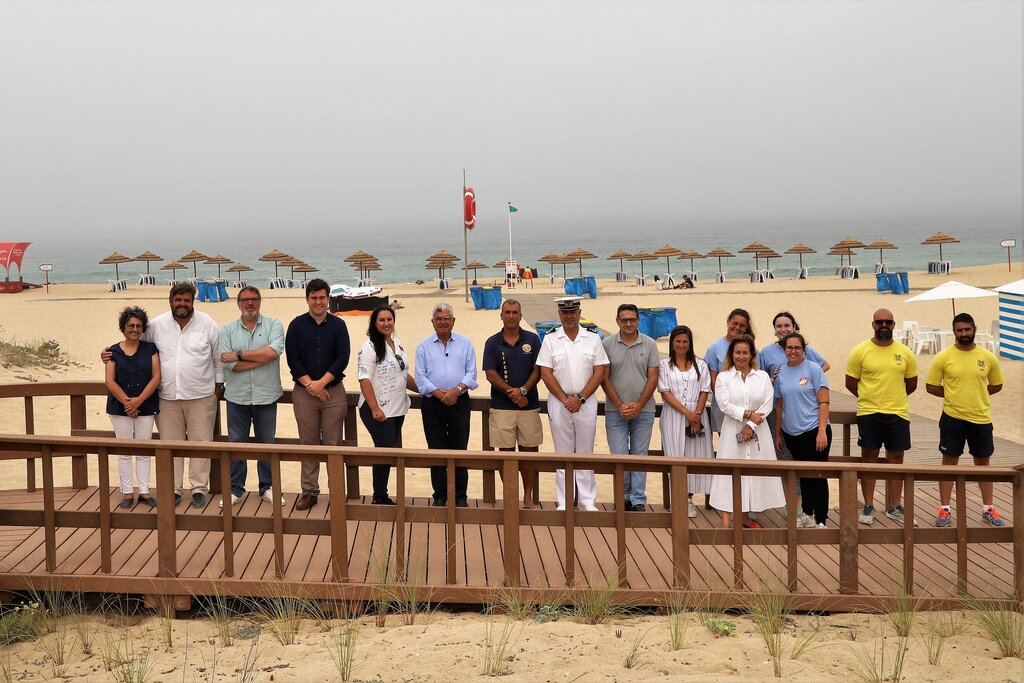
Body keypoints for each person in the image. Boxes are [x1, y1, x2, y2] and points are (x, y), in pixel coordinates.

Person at [104, 283, 224, 507]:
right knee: (171, 445)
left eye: (187, 300)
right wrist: (108, 353)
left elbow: (217, 358)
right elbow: (134, 344)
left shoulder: (207, 324)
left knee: (201, 443)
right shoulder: (157, 325)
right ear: (170, 301)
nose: (182, 304)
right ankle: (175, 489)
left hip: (201, 395)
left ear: (193, 301)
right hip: (167, 397)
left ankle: (198, 488)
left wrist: (218, 387)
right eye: (178, 300)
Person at [925, 313, 1005, 527]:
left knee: (982, 464)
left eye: (967, 329)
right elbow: (931, 386)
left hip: (981, 418)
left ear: (974, 329)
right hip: (952, 418)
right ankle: (944, 509)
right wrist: (953, 395)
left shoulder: (987, 357)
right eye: (959, 330)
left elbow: (997, 384)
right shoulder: (944, 356)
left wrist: (978, 393)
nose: (964, 334)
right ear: (954, 332)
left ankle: (988, 508)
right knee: (949, 463)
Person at [845, 308, 918, 525]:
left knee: (896, 460)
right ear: (873, 325)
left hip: (898, 412)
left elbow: (911, 384)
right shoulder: (860, 351)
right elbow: (851, 382)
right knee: (870, 459)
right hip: (869, 413)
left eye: (888, 322)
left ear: (894, 325)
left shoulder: (905, 353)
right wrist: (870, 397)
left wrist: (892, 398)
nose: (883, 325)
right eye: (879, 322)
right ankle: (868, 505)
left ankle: (895, 506)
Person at [537, 297, 609, 511]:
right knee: (563, 453)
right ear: (559, 314)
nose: (569, 316)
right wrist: (565, 399)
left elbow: (599, 371)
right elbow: (545, 373)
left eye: (573, 312)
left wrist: (581, 398)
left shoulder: (593, 338)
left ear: (579, 313)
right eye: (565, 313)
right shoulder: (550, 339)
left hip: (585, 402)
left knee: (585, 452)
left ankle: (587, 501)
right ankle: (565, 500)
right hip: (560, 403)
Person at [285, 278, 351, 511]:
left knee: (333, 444)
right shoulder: (296, 325)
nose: (318, 302)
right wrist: (311, 385)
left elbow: (343, 357)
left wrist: (321, 383)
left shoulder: (338, 325)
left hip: (333, 392)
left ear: (328, 298)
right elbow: (293, 359)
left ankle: (336, 493)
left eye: (322, 297)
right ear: (307, 300)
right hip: (304, 394)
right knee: (308, 444)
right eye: (313, 298)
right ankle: (310, 492)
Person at [218, 286, 285, 508]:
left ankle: (268, 487)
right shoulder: (226, 330)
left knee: (268, 443)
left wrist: (239, 354)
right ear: (238, 304)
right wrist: (261, 357)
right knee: (237, 443)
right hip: (237, 397)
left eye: (254, 299)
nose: (250, 303)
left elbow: (273, 352)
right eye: (245, 300)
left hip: (267, 395)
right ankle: (235, 488)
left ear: (260, 301)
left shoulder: (273, 325)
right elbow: (228, 365)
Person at [708, 334, 784, 528]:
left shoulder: (763, 377)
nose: (741, 356)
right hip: (732, 430)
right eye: (737, 352)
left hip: (759, 431)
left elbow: (767, 404)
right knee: (729, 473)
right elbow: (724, 405)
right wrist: (748, 414)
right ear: (731, 354)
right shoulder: (724, 377)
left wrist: (750, 426)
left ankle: (744, 517)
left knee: (752, 473)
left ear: (751, 355)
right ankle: (726, 520)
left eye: (745, 353)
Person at [759, 312, 830, 510]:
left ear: (794, 327)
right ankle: (797, 507)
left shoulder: (804, 350)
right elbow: (763, 380)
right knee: (788, 462)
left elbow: (824, 365)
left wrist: (805, 381)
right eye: (779, 326)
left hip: (809, 419)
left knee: (813, 470)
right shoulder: (766, 351)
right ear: (774, 329)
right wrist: (773, 379)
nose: (783, 329)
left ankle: (814, 512)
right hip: (781, 414)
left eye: (787, 325)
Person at [415, 303, 478, 507]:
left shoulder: (465, 343)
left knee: (460, 449)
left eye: (446, 318)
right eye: (438, 319)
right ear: (432, 322)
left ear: (453, 321)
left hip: (459, 401)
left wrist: (456, 391)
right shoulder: (423, 346)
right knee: (436, 449)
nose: (443, 322)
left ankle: (460, 497)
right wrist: (439, 394)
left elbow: (472, 373)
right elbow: (420, 376)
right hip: (433, 404)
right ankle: (440, 496)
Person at [482, 299, 543, 508]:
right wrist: (513, 393)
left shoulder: (533, 340)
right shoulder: (492, 342)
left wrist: (523, 391)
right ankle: (511, 495)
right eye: (507, 312)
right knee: (505, 454)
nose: (511, 316)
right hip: (501, 407)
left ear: (520, 315)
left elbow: (539, 369)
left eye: (515, 312)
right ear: (501, 316)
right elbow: (490, 374)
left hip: (529, 405)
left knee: (529, 453)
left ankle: (527, 496)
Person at [602, 304, 660, 511]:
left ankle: (637, 500)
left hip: (643, 410)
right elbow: (604, 378)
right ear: (617, 321)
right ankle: (623, 496)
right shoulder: (607, 344)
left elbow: (653, 377)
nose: (628, 323)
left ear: (638, 320)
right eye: (624, 319)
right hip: (614, 410)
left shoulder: (650, 344)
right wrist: (619, 404)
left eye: (632, 319)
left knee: (639, 455)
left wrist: (639, 405)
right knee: (619, 454)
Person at [357, 305, 415, 505]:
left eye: (389, 319)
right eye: (381, 320)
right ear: (374, 323)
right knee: (385, 450)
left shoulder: (397, 344)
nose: (386, 323)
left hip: (398, 408)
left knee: (392, 452)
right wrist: (374, 408)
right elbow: (364, 379)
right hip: (377, 409)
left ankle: (384, 493)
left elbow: (403, 374)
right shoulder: (369, 347)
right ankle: (379, 496)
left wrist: (427, 389)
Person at [773, 332, 832, 528]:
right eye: (789, 348)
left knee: (817, 475)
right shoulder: (781, 372)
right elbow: (780, 404)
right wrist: (778, 433)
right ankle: (807, 514)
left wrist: (822, 431)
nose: (793, 351)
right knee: (804, 477)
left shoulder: (814, 369)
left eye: (797, 348)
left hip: (814, 431)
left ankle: (821, 518)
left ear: (803, 349)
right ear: (784, 350)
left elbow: (824, 401)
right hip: (792, 433)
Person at [104, 306, 161, 509]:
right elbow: (110, 381)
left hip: (146, 405)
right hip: (120, 408)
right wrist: (128, 403)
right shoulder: (112, 351)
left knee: (144, 450)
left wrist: (138, 402)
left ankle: (144, 492)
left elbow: (156, 377)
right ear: (123, 327)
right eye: (130, 325)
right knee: (125, 450)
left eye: (138, 326)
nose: (135, 329)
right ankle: (127, 492)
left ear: (143, 328)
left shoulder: (150, 349)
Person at [702, 308, 755, 509]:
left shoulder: (748, 345)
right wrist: (727, 403)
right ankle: (720, 499)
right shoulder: (715, 347)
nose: (738, 328)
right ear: (728, 322)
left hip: (747, 408)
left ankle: (744, 499)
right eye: (735, 323)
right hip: (722, 407)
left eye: (742, 325)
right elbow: (713, 379)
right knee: (724, 450)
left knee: (744, 450)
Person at [658, 325, 713, 518]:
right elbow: (665, 392)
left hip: (697, 415)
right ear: (672, 342)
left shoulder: (701, 364)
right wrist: (687, 413)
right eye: (678, 341)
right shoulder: (664, 365)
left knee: (694, 455)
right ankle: (679, 498)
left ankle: (689, 498)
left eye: (685, 341)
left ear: (690, 344)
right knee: (675, 454)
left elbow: (705, 390)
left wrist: (696, 415)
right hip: (674, 415)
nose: (681, 345)